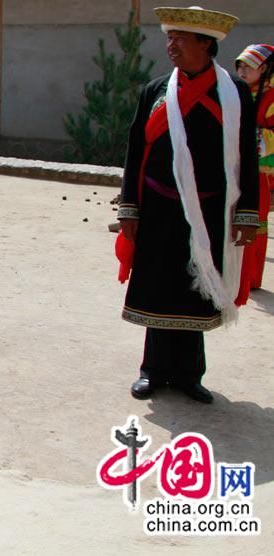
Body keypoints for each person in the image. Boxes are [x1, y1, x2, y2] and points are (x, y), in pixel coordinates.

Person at [116, 6, 258, 404]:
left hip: (210, 210)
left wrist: (248, 213)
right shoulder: (156, 90)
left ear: (205, 44)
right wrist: (130, 207)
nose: (171, 45)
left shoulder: (234, 94)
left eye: (180, 38)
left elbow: (246, 152)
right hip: (160, 206)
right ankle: (152, 371)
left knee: (196, 289)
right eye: (170, 37)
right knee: (160, 286)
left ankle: (188, 374)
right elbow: (136, 150)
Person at [234, 44, 274, 300]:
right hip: (234, 164)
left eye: (249, 65)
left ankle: (249, 277)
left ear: (266, 69)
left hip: (259, 168)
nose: (242, 70)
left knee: (254, 221)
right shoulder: (236, 92)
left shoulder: (271, 98)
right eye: (240, 65)